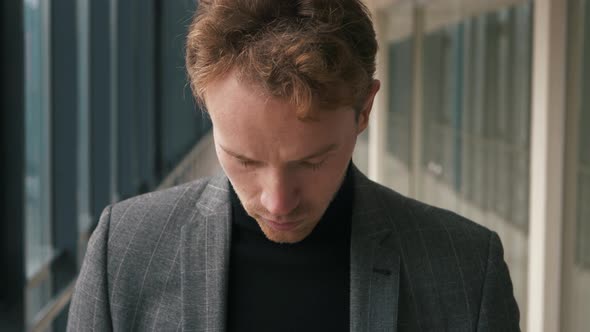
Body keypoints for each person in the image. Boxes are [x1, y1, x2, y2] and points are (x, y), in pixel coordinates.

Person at [67, 0, 520, 331]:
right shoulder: (125, 250)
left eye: (311, 161)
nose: (277, 201)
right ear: (208, 112)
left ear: (365, 110)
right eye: (244, 159)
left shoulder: (465, 269)